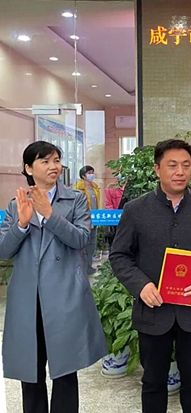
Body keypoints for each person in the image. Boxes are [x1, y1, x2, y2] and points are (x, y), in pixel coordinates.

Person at [109, 139, 191, 413]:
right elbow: (119, 255)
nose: (180, 172)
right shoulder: (136, 210)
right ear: (157, 169)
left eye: (186, 165)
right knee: (152, 382)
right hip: (153, 311)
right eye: (172, 165)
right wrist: (141, 286)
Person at [0, 141, 107, 413]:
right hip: (28, 299)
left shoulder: (75, 199)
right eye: (45, 161)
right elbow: (4, 251)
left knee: (65, 372)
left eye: (57, 160)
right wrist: (22, 224)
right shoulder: (16, 204)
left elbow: (81, 239)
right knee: (30, 373)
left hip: (64, 296)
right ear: (28, 168)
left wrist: (49, 214)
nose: (54, 166)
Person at [75, 165, 101, 274]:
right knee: (84, 244)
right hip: (84, 219)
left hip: (94, 219)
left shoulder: (95, 187)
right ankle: (82, 267)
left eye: (92, 172)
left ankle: (89, 266)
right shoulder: (78, 188)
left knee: (92, 244)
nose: (92, 175)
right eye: (89, 173)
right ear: (83, 176)